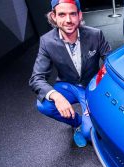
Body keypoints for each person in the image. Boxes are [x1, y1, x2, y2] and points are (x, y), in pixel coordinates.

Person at [29, 0, 111, 147]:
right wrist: (56, 96)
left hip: (90, 87)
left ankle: (86, 125)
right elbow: (37, 78)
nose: (68, 20)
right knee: (44, 105)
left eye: (72, 14)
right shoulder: (47, 41)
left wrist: (96, 95)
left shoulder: (95, 35)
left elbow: (110, 64)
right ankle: (77, 122)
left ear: (79, 15)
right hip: (67, 85)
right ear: (53, 16)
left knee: (89, 134)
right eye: (62, 14)